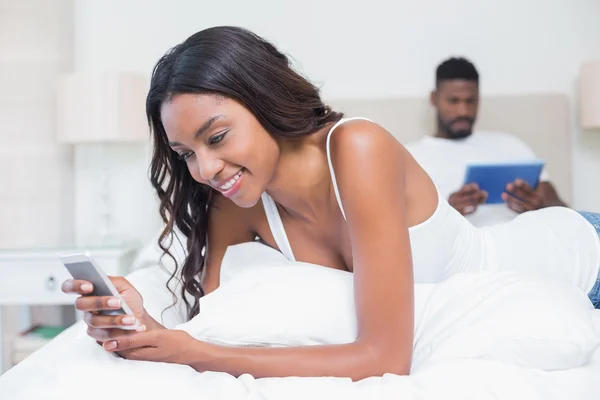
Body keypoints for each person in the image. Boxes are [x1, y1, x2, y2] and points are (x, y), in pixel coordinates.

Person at [61, 26, 600, 381]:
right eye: (185, 154)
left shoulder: (356, 148)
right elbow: (218, 326)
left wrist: (193, 352)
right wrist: (142, 324)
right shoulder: (233, 198)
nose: (204, 169)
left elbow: (386, 358)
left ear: (265, 101)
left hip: (576, 258)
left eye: (218, 137)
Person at [405, 57, 567, 227]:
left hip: (520, 244)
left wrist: (540, 208)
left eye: (471, 101)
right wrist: (445, 213)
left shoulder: (510, 145)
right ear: (434, 98)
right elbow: (396, 228)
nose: (463, 111)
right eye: (453, 101)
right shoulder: (411, 157)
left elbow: (565, 212)